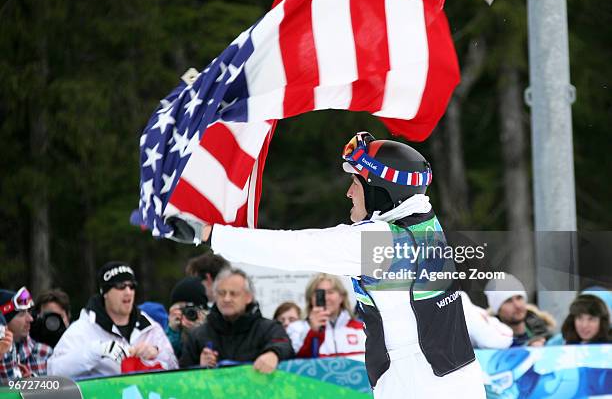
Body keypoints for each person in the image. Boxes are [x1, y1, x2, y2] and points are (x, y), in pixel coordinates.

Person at [171, 132, 485, 398]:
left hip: (419, 382)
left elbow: (293, 249)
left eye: (356, 183)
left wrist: (211, 234)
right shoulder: (426, 223)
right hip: (451, 375)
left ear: (380, 191)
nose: (349, 192)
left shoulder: (380, 243)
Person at [47, 262, 178, 378]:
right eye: (121, 286)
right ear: (105, 292)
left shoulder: (149, 327)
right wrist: (95, 351)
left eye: (131, 286)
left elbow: (175, 369)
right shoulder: (83, 329)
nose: (128, 292)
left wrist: (156, 352)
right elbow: (54, 372)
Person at [180, 268, 293, 373]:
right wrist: (200, 367)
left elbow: (285, 346)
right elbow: (182, 376)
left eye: (233, 294)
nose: (227, 299)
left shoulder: (269, 328)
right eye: (221, 293)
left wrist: (273, 353)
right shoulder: (197, 335)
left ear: (248, 297)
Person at [287, 274, 365, 357]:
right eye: (320, 293)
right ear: (310, 298)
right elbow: (295, 364)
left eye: (330, 292)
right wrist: (312, 331)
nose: (325, 297)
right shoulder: (296, 328)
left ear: (342, 297)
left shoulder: (362, 328)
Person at [484, 274, 555, 347]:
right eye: (508, 301)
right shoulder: (489, 342)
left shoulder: (546, 335)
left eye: (519, 298)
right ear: (497, 309)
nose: (517, 305)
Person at [0, 287, 53, 384]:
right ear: (4, 321)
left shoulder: (43, 352)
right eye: (21, 314)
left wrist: (32, 382)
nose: (30, 319)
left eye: (28, 312)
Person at [167, 277, 209, 358]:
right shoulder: (163, 334)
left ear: (203, 310)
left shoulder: (213, 328)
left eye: (192, 308)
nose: (188, 312)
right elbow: (167, 359)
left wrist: (201, 330)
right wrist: (172, 331)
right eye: (182, 309)